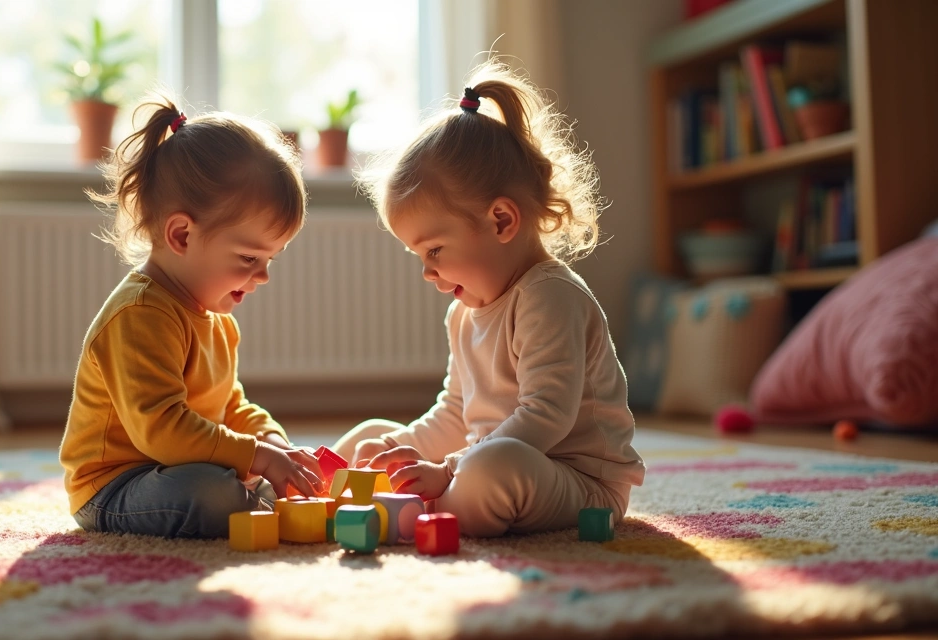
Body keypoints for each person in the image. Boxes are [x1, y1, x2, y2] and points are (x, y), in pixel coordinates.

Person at [334, 60, 645, 538]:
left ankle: (423, 509)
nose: (426, 271)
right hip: (490, 459)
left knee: (491, 469)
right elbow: (457, 412)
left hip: (582, 484)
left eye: (434, 250)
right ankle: (345, 490)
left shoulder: (548, 296)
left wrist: (451, 469)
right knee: (372, 438)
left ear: (501, 221)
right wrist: (397, 447)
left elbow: (545, 417)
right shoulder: (463, 312)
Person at [61, 91, 323, 538]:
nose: (262, 276)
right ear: (181, 234)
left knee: (236, 480)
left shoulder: (217, 318)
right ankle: (253, 500)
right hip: (115, 486)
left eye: (270, 260)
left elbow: (230, 405)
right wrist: (256, 458)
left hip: (170, 470)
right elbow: (161, 431)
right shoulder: (140, 314)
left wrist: (272, 440)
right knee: (212, 491)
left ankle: (260, 497)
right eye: (247, 258)